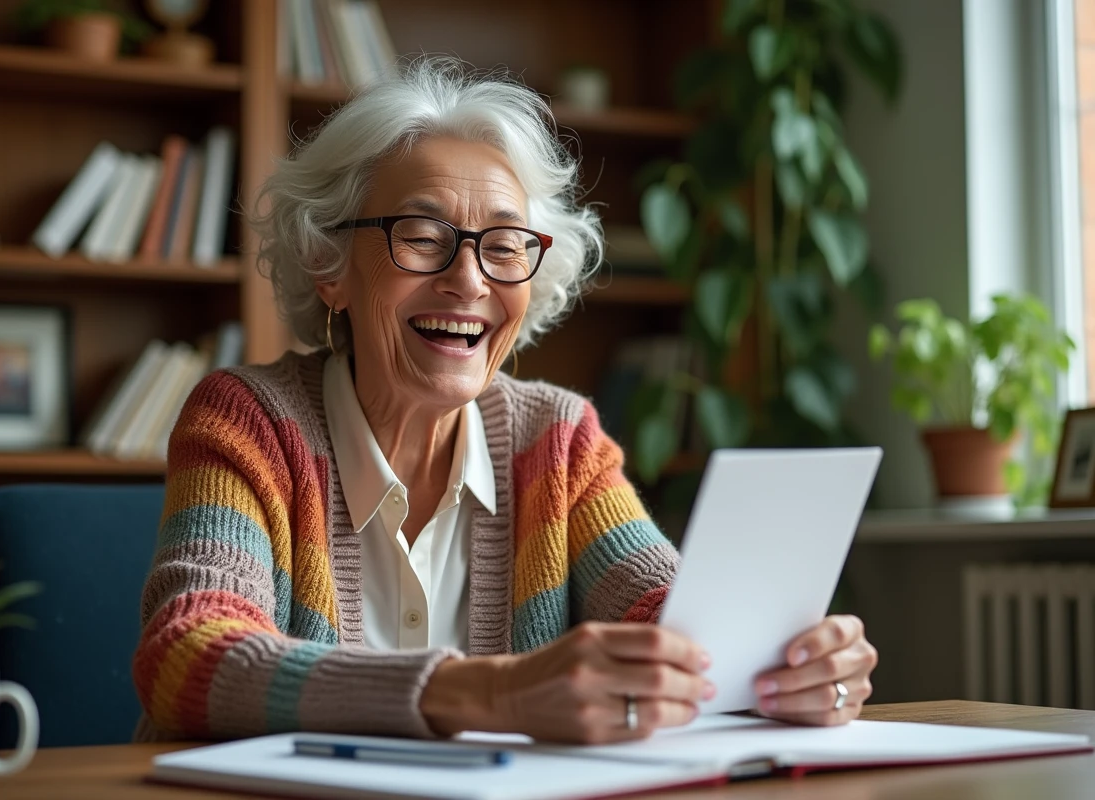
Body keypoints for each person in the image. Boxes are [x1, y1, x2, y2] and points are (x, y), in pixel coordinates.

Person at [132, 58, 878, 744]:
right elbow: (190, 650)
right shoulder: (247, 421)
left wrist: (787, 668)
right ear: (329, 264)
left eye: (504, 245)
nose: (470, 280)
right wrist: (490, 693)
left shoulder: (559, 440)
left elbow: (672, 623)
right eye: (422, 237)